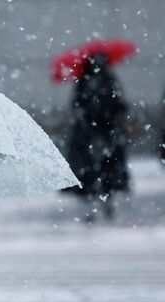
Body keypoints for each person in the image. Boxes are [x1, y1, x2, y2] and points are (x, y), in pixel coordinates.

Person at [65, 53, 130, 221]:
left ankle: (96, 205)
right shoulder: (108, 80)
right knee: (105, 170)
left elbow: (77, 105)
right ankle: (103, 204)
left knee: (93, 171)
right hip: (103, 132)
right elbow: (119, 105)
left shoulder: (85, 80)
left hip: (93, 133)